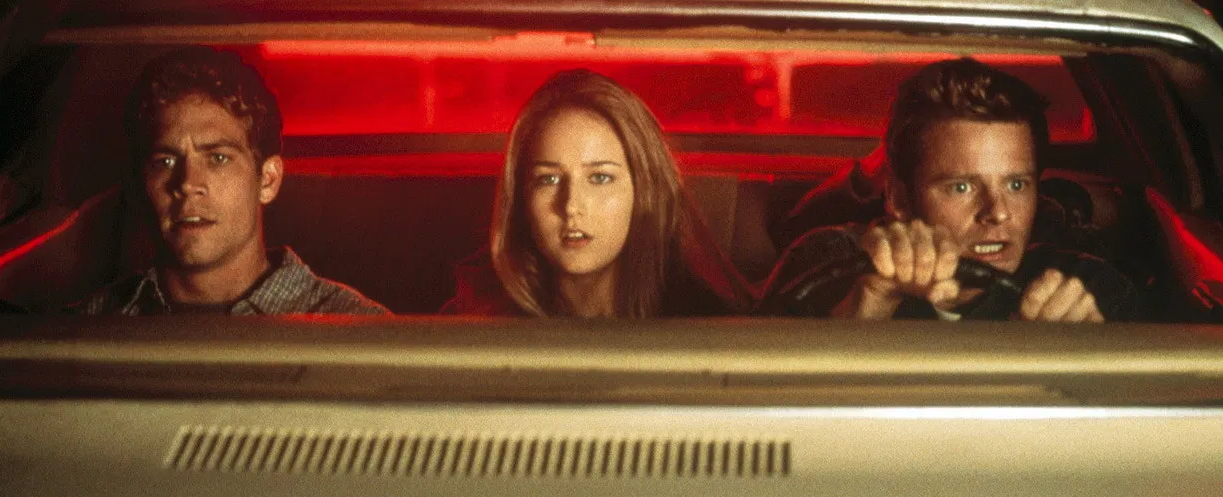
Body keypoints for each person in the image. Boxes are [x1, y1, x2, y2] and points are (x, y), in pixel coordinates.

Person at [760, 58, 1140, 322]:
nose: (998, 212)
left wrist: (1083, 357)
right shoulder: (826, 266)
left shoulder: (1087, 291)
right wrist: (869, 304)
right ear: (900, 199)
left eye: (1016, 184)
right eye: (961, 186)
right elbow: (762, 395)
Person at [76, 47, 389, 316]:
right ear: (138, 184)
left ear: (267, 180)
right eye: (165, 161)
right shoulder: (85, 328)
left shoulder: (355, 331)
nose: (188, 183)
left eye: (218, 158)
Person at [444, 69, 752, 317]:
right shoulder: (472, 330)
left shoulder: (707, 329)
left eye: (600, 177)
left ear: (644, 190)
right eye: (549, 179)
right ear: (520, 198)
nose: (571, 206)